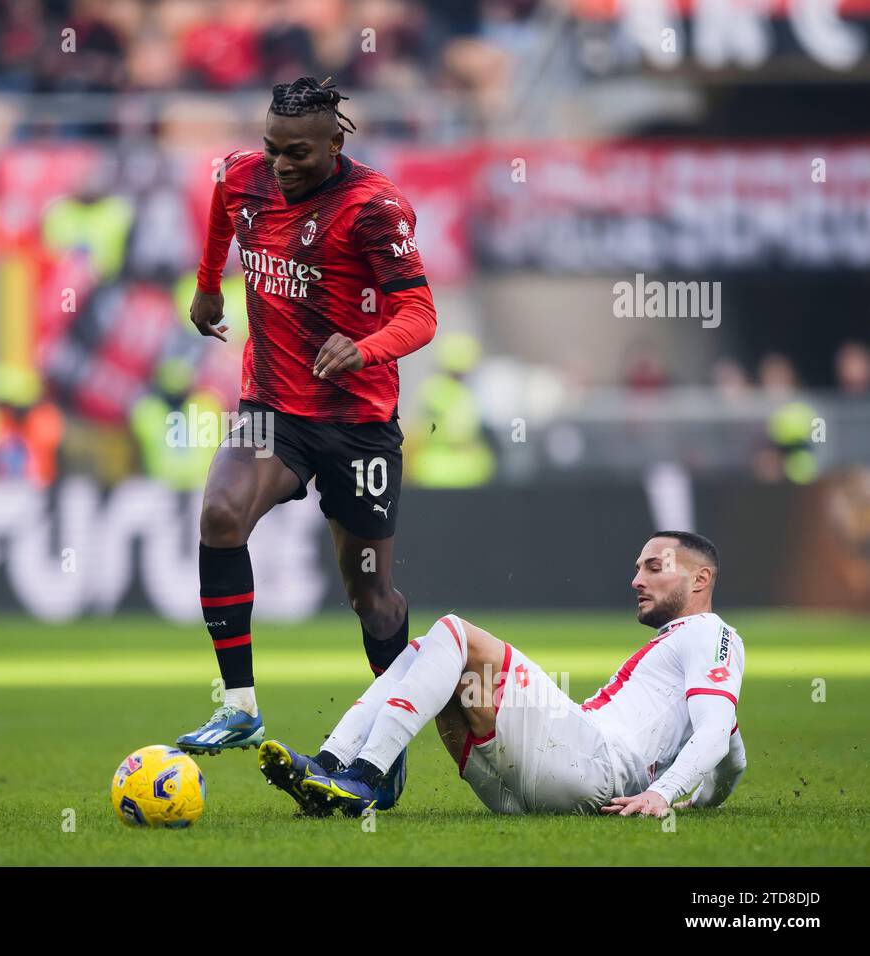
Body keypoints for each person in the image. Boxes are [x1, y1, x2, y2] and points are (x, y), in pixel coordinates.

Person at [176, 76, 439, 813]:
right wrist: (206, 286)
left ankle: (382, 753)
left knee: (371, 598)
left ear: (336, 143)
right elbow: (223, 208)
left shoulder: (373, 208)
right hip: (272, 409)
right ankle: (239, 705)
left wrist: (367, 347)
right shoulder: (243, 175)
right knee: (221, 515)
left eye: (298, 152)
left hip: (357, 425)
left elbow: (420, 312)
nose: (281, 164)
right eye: (272, 148)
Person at [259, 531, 746, 819]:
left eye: (653, 567)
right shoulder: (691, 648)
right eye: (638, 568)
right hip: (545, 783)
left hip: (596, 764)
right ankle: (333, 766)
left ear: (700, 579)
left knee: (453, 632)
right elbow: (730, 752)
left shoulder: (709, 631)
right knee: (429, 653)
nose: (636, 579)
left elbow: (715, 733)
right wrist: (700, 802)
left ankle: (365, 776)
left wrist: (661, 794)